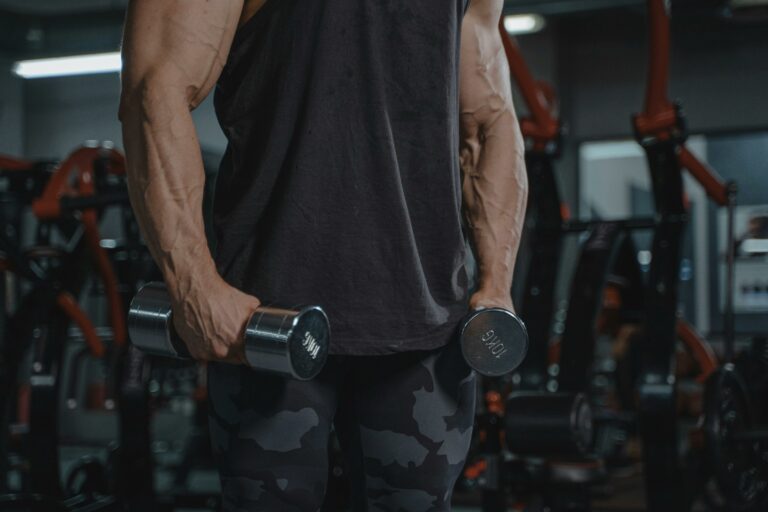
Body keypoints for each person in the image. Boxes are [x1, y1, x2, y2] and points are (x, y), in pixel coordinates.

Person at [119, 0, 527, 509]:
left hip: (425, 328)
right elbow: (154, 87)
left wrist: (497, 283)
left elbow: (488, 119)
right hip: (266, 322)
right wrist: (194, 285)